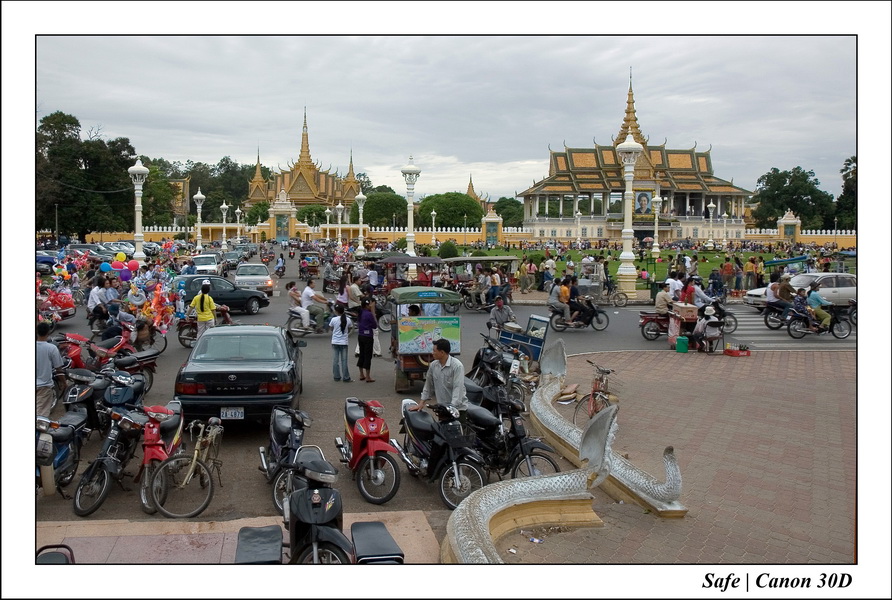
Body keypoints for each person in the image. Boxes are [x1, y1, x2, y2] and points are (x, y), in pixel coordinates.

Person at [412, 338, 468, 427]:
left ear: (442, 353)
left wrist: (451, 408)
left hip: (457, 410)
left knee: (458, 438)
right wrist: (421, 403)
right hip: (442, 409)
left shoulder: (457, 366)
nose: (432, 353)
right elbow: (428, 386)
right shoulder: (433, 366)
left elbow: (458, 388)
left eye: (434, 351)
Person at [36, 321, 64, 417]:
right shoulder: (51, 348)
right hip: (44, 386)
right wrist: (63, 383)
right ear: (48, 333)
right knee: (41, 415)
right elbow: (58, 369)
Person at [329, 303, 353, 382]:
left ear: (336, 311)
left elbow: (331, 328)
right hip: (344, 342)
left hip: (335, 342)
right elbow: (350, 329)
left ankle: (336, 376)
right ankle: (346, 377)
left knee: (335, 361)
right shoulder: (348, 320)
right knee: (344, 361)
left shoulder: (333, 320)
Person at [356, 297, 377, 382]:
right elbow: (375, 325)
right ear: (367, 305)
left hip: (361, 336)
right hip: (368, 337)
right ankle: (368, 376)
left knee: (362, 354)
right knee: (368, 356)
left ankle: (361, 374)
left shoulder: (361, 313)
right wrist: (373, 312)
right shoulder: (369, 314)